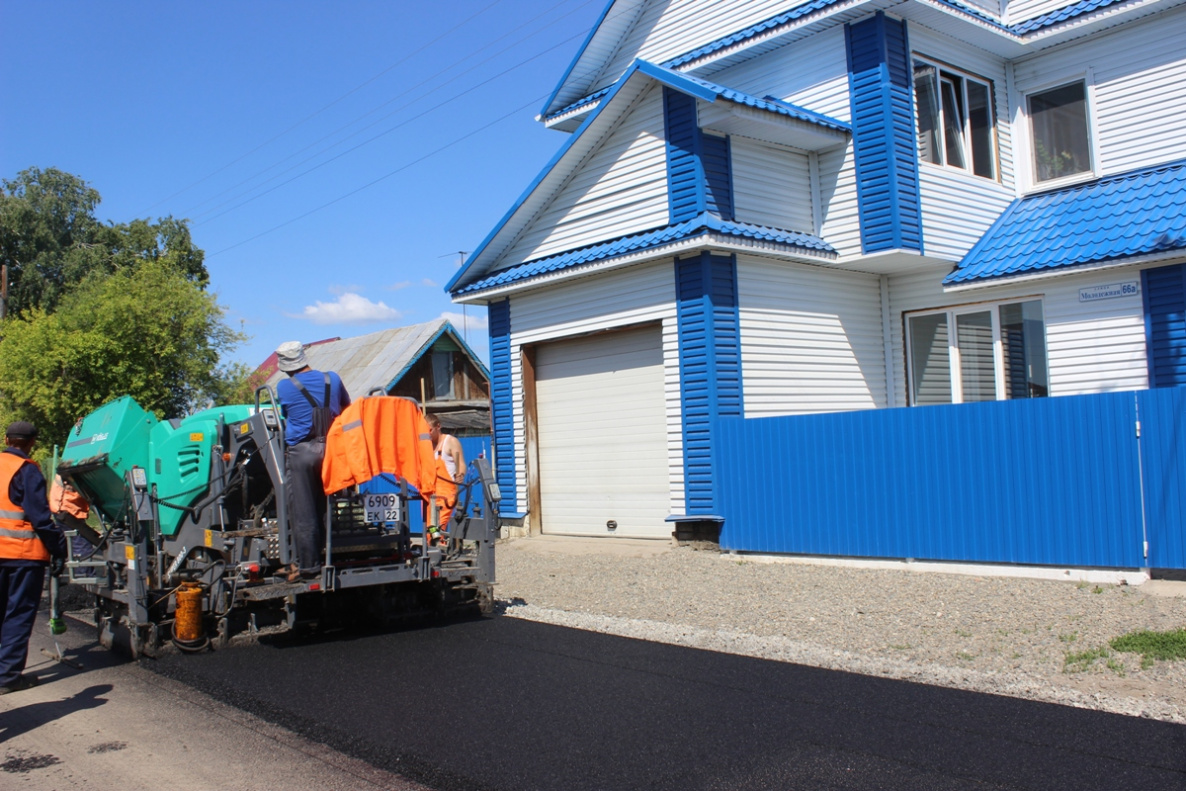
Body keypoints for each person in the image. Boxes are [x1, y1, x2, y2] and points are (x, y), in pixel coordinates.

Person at [273, 341, 350, 582]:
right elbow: (346, 407)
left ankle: (307, 566)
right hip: (331, 449)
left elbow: (287, 415)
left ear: (286, 366)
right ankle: (330, 553)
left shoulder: (285, 387)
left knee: (303, 510)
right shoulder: (333, 379)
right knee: (325, 504)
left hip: (302, 452)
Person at [0, 421, 66, 694]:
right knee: (18, 615)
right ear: (32, 443)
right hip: (22, 556)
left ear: (5, 439)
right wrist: (59, 547)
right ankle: (7, 677)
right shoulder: (27, 470)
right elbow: (40, 518)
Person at [424, 413, 464, 545]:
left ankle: (439, 552)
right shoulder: (426, 446)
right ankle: (434, 552)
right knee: (430, 528)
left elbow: (461, 464)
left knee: (438, 527)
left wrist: (460, 474)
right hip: (430, 495)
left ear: (438, 426)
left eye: (429, 430)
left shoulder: (450, 442)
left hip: (446, 495)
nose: (427, 433)